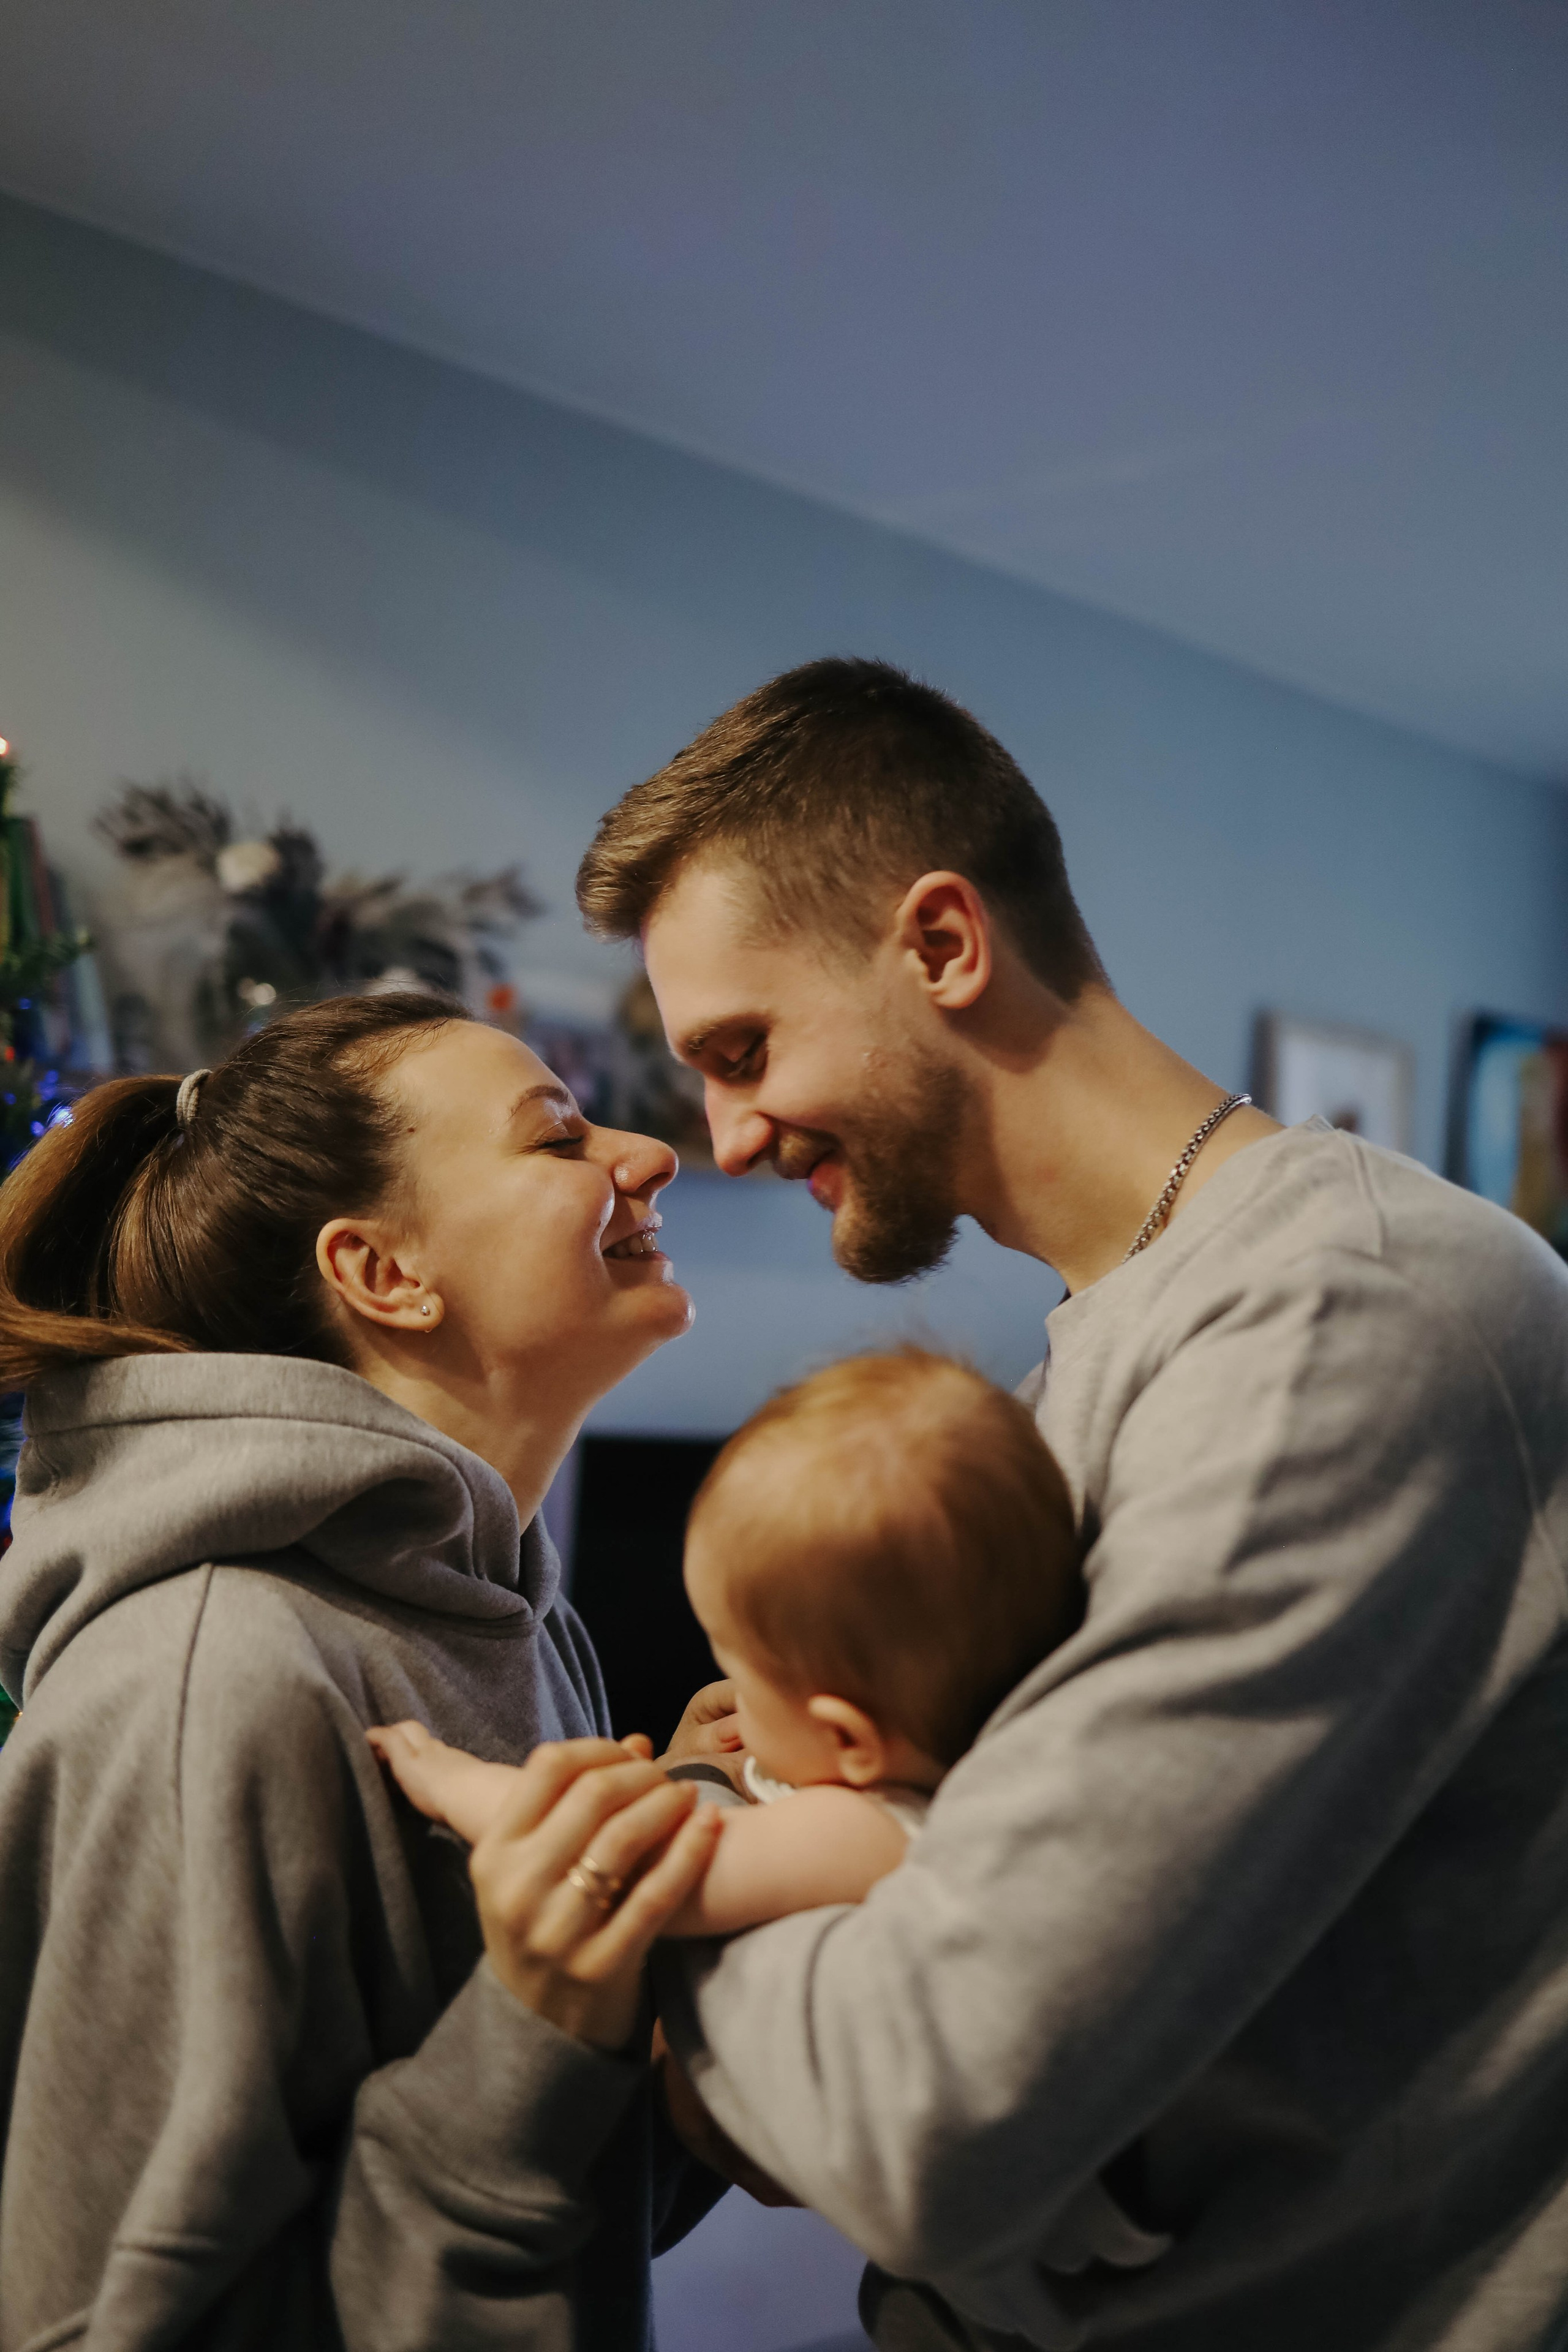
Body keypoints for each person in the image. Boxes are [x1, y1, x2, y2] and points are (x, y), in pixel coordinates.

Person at [557, 657, 1568, 2352]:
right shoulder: (1101, 1360)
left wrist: (680, 1895)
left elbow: (927, 2104)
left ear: (944, 944)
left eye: (745, 1048)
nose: (721, 1139)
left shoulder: (1345, 1319)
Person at [0, 992, 739, 2351]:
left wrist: (683, 1852)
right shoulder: (212, 1681)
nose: (647, 1155)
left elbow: (575, 2221)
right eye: (558, 1137)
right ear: (383, 1273)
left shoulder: (508, 1616)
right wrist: (531, 2029)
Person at [372, 1349, 1086, 1937]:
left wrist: (452, 1780)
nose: (729, 1687)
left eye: (738, 1663)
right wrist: (710, 1770)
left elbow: (612, 1855)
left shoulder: (866, 1834)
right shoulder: (897, 1778)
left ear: (848, 1739)